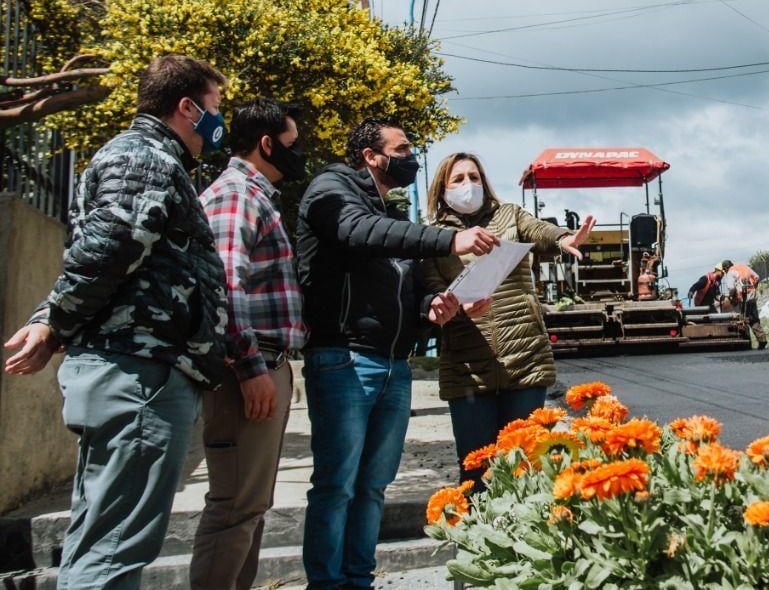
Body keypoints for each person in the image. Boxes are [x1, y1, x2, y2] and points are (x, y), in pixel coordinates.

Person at [3, 54, 230, 589]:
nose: (221, 121)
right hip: (139, 373)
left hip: (135, 369)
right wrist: (53, 321)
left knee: (104, 539)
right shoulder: (145, 157)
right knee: (114, 552)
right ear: (186, 107)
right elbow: (111, 247)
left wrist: (52, 319)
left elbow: (99, 251)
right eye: (215, 108)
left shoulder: (143, 156)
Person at [296, 117, 497, 589]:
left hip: (393, 367)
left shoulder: (391, 214)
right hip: (345, 361)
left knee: (371, 487)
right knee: (336, 486)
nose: (410, 157)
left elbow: (405, 295)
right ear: (371, 155)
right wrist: (451, 238)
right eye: (402, 149)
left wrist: (439, 306)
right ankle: (326, 584)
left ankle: (358, 579)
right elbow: (359, 232)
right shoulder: (333, 189)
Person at [190, 99, 309, 590]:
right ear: (266, 144)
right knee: (236, 506)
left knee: (251, 505)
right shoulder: (238, 193)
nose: (297, 155)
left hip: (263, 362)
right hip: (247, 368)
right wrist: (251, 367)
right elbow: (222, 287)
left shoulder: (254, 194)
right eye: (291, 145)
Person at [422, 152, 596, 488]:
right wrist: (455, 309)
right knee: (476, 474)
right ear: (442, 189)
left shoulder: (509, 215)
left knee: (528, 470)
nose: (468, 185)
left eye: (474, 177)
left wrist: (563, 238)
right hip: (468, 369)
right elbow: (432, 292)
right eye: (458, 179)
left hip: (525, 360)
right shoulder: (435, 237)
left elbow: (538, 230)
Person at [721, 259, 767, 349]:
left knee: (742, 321)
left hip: (743, 298)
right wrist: (753, 288)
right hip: (752, 297)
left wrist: (731, 297)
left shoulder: (730, 272)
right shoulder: (744, 267)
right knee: (754, 319)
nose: (725, 272)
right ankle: (762, 340)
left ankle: (746, 344)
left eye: (725, 270)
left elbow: (731, 288)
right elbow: (757, 277)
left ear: (726, 268)